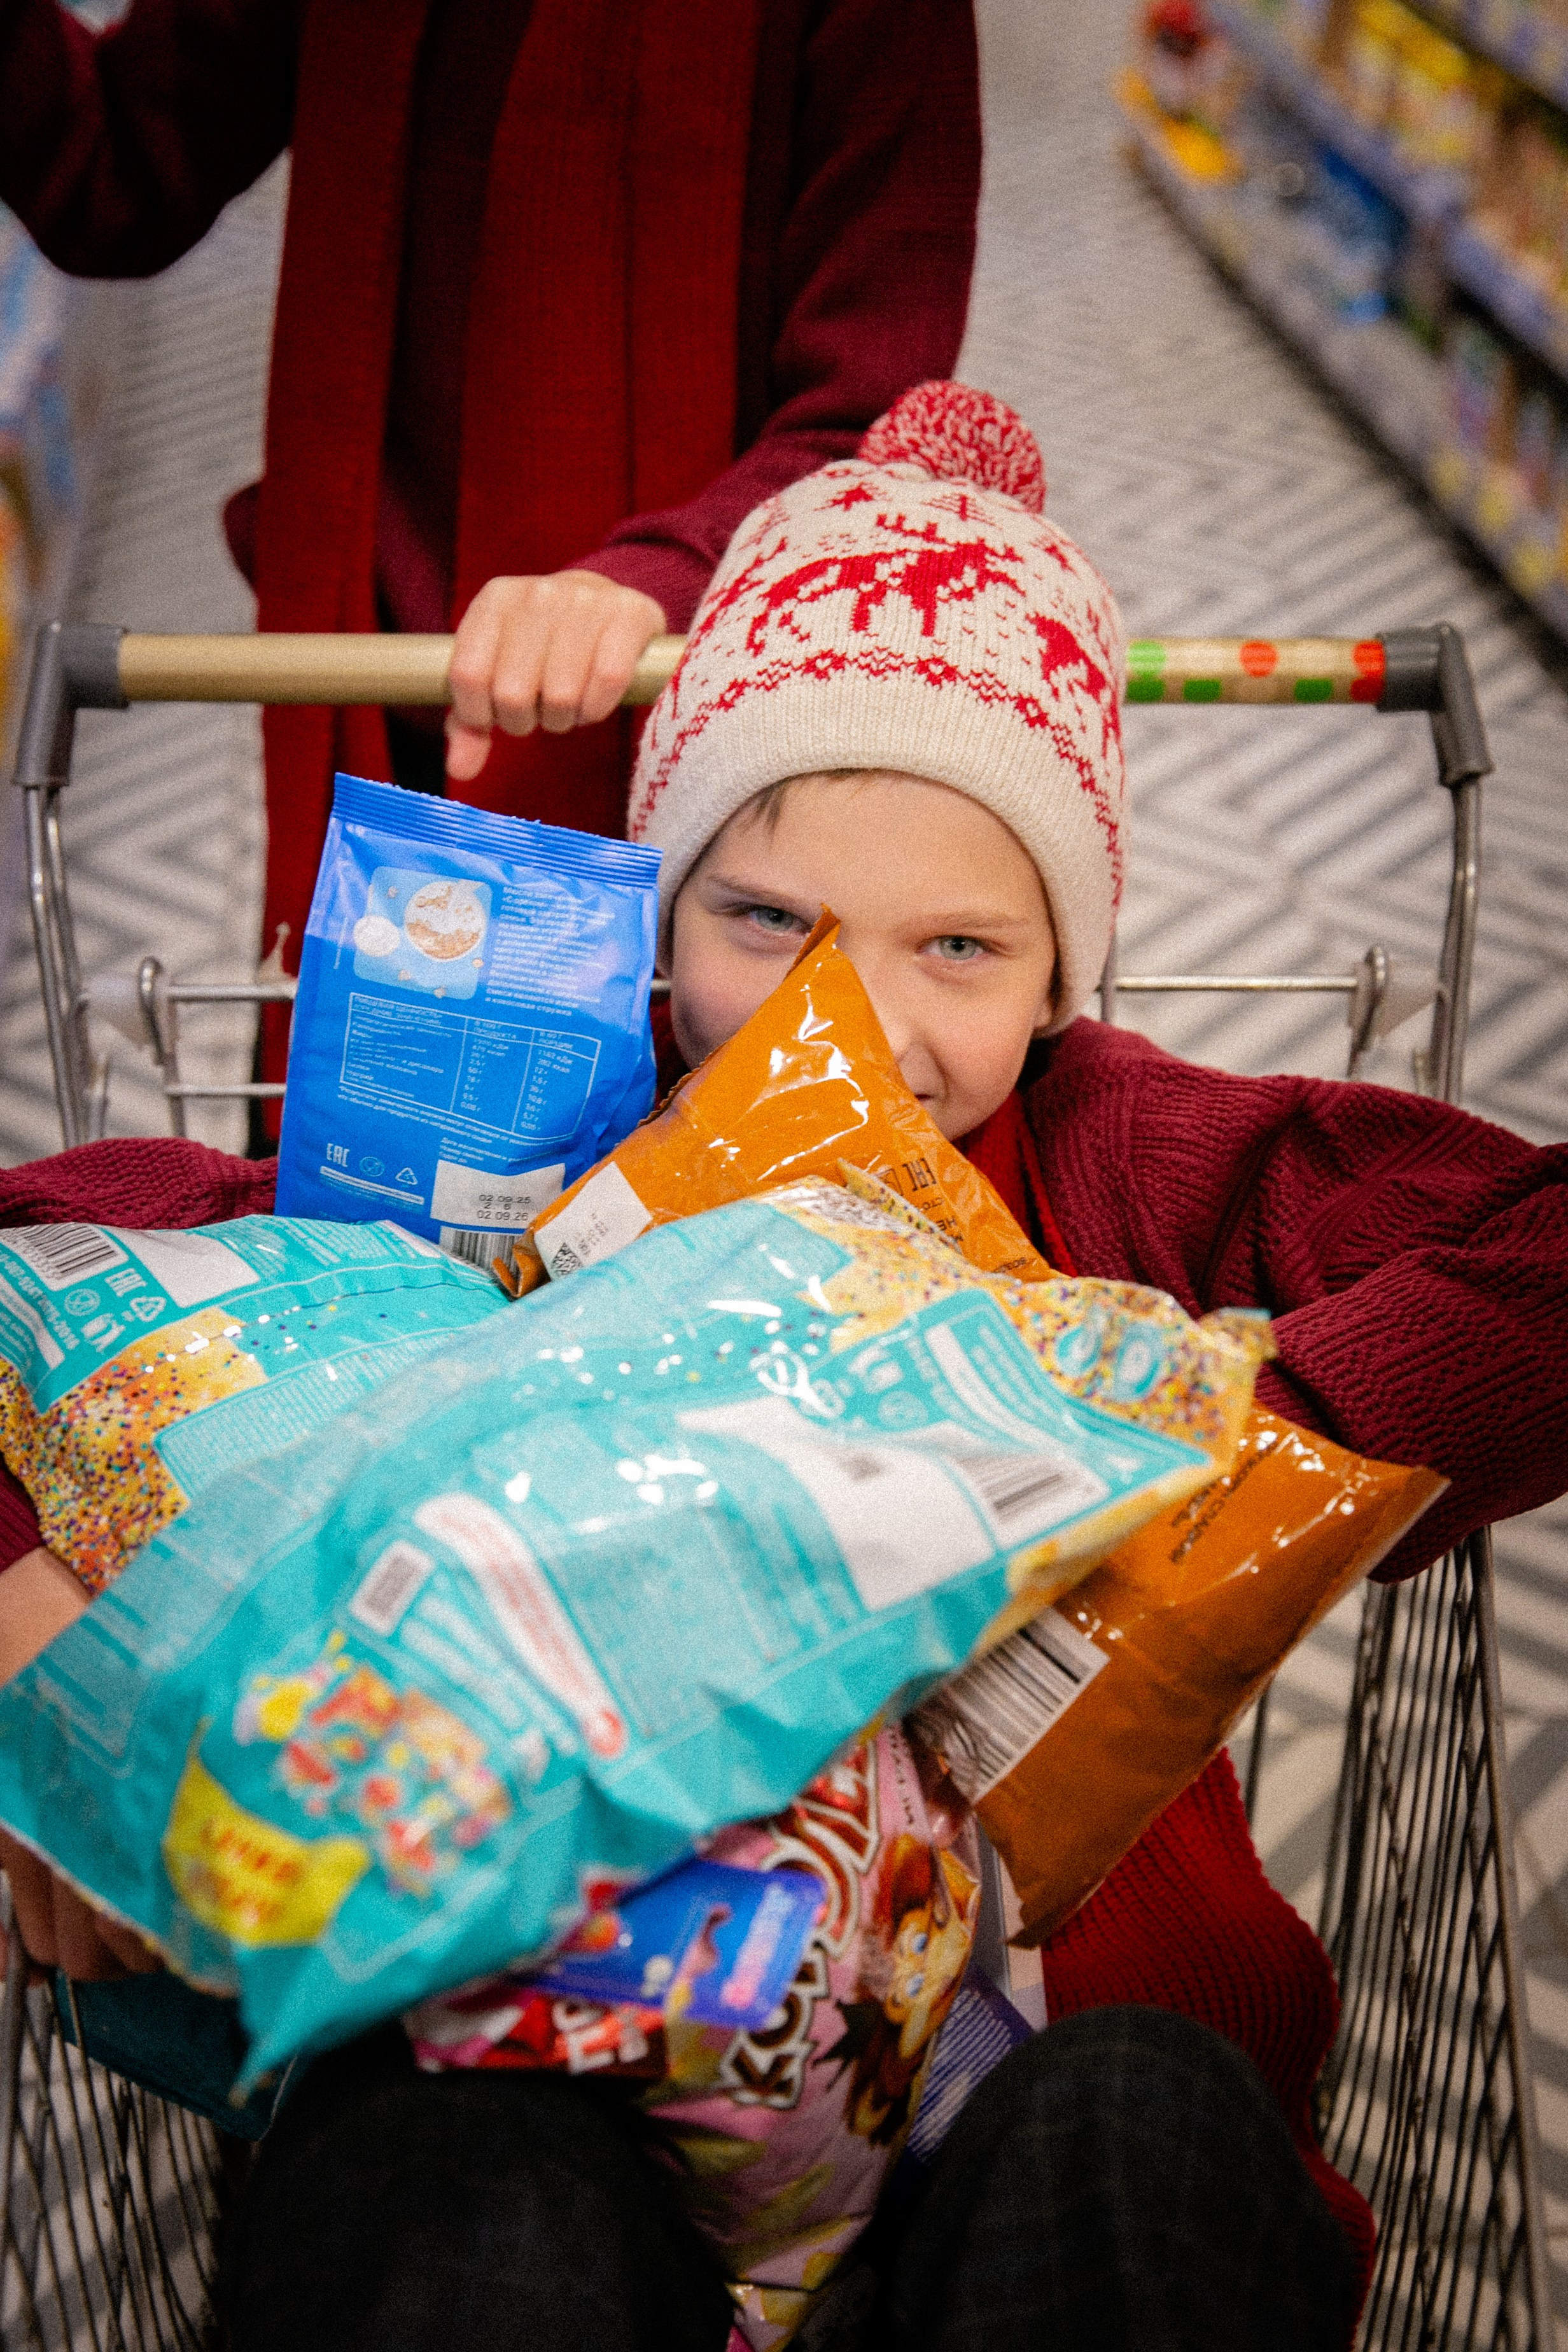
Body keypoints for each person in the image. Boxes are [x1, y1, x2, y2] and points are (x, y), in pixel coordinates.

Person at [0, 384, 1564, 2350]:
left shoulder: (1110, 1160)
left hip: (1047, 2085)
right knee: (449, 2196)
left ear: (1066, 974)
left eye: (962, 949)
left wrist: (1227, 1437)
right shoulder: (527, 1145)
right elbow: (73, 1257)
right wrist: (47, 1559)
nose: (857, 1019)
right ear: (658, 923)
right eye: (762, 919)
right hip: (543, 2044)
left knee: (1150, 2134)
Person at [0, 0, 981, 1046]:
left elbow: (870, 415)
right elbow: (116, 177)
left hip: (699, 756)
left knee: (677, 1171)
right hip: (379, 736)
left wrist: (646, 580)